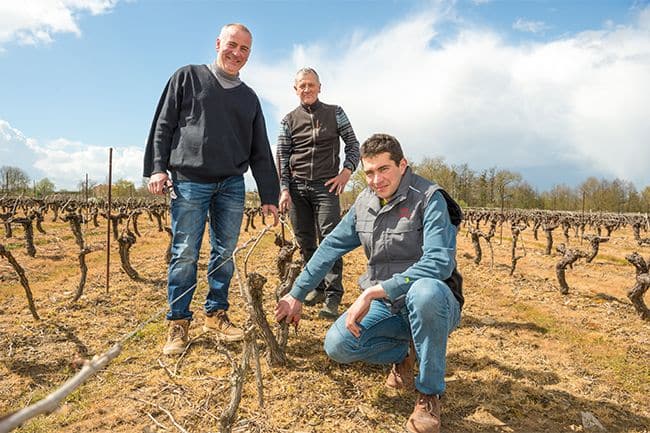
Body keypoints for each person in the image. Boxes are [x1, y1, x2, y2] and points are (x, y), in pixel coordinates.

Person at [275, 133, 464, 433]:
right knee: (338, 345)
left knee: (425, 292)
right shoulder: (364, 203)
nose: (376, 180)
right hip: (388, 306)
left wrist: (377, 290)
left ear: (402, 165)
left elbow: (439, 263)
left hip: (434, 302)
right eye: (370, 173)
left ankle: (428, 394)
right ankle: (404, 353)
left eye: (384, 169)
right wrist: (296, 293)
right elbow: (328, 249)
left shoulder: (429, 198)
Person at [143, 23, 280, 356]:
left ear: (249, 54)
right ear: (218, 43)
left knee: (225, 253)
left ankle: (216, 313)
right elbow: (163, 124)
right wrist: (157, 167)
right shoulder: (187, 76)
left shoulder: (249, 98)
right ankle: (178, 322)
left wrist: (269, 197)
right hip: (189, 180)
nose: (236, 53)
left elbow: (260, 149)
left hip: (231, 184)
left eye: (244, 49)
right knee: (185, 252)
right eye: (231, 45)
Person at [276, 67, 360, 319]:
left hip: (326, 186)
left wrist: (346, 172)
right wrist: (283, 189)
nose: (307, 89)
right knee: (305, 241)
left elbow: (353, 144)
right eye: (302, 85)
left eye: (311, 85)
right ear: (296, 89)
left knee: (330, 239)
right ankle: (318, 288)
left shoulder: (336, 113)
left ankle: (334, 295)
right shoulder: (288, 120)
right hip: (296, 188)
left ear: (320, 87)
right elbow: (282, 156)